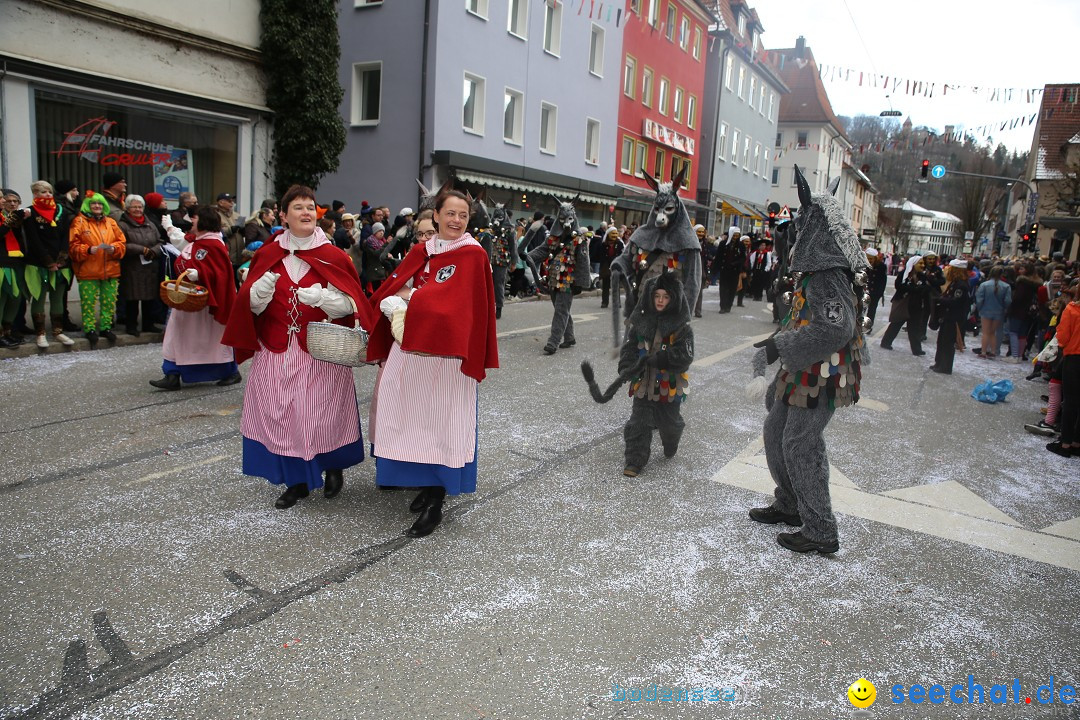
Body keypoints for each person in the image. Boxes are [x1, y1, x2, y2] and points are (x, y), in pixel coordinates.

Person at [222, 185, 370, 509]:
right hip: (275, 349)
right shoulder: (267, 254)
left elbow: (351, 303)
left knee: (320, 415)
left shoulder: (333, 255)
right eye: (298, 207)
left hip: (319, 350)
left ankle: (332, 466)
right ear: (283, 215)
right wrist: (257, 295)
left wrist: (322, 298)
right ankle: (297, 481)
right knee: (282, 415)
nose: (305, 213)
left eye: (310, 207)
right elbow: (249, 309)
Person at [365, 190, 499, 538]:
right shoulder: (420, 251)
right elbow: (394, 288)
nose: (456, 220)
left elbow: (460, 308)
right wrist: (397, 300)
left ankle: (437, 497)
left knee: (442, 423)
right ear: (435, 215)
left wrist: (413, 299)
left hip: (447, 360)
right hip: (409, 351)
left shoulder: (472, 255)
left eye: (463, 215)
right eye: (450, 213)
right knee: (410, 419)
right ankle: (424, 483)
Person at [151, 206, 240, 390]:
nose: (190, 220)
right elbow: (181, 241)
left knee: (212, 340)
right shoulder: (197, 241)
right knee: (176, 334)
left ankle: (230, 371)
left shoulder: (214, 245)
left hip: (206, 305)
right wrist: (169, 227)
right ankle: (172, 373)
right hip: (186, 299)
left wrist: (199, 273)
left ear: (204, 221)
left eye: (194, 218)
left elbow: (222, 274)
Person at [617, 273, 693, 477]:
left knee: (669, 424)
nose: (660, 300)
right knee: (639, 421)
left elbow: (686, 356)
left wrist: (662, 359)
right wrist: (626, 365)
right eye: (656, 296)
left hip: (669, 384)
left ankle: (672, 439)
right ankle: (634, 460)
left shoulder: (682, 328)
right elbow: (630, 347)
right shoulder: (641, 321)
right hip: (644, 381)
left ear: (674, 299)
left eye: (666, 296)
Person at [21, 181, 75, 348]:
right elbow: (34, 240)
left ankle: (58, 331)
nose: (47, 195)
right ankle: (40, 333)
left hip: (60, 264)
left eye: (49, 192)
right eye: (43, 192)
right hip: (39, 263)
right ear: (35, 194)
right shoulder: (30, 212)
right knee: (39, 297)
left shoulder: (61, 211)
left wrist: (61, 259)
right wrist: (48, 262)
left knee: (57, 297)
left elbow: (65, 237)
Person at [68, 192, 126, 348]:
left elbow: (122, 243)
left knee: (108, 302)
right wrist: (87, 250)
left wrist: (114, 249)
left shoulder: (111, 222)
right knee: (88, 302)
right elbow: (72, 246)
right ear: (87, 205)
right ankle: (89, 329)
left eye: (100, 204)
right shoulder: (79, 222)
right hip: (88, 270)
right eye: (93, 203)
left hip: (110, 270)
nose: (97, 206)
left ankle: (105, 327)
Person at [530, 222, 590, 355]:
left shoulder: (579, 240)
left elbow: (583, 262)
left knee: (561, 311)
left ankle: (553, 342)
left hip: (568, 281)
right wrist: (529, 256)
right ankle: (569, 337)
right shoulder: (553, 238)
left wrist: (581, 282)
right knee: (561, 310)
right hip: (553, 279)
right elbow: (543, 250)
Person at [117, 195, 166, 336]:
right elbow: (121, 244)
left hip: (150, 265)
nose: (138, 210)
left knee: (149, 297)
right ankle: (131, 326)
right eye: (134, 207)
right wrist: (141, 249)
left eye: (140, 207)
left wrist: (154, 251)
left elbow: (160, 240)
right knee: (132, 298)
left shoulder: (150, 223)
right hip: (132, 266)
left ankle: (148, 324)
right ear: (127, 208)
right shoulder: (122, 225)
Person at [1047, 278, 1080, 457]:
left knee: (1071, 401)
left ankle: (1065, 443)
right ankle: (1077, 441)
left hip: (1074, 358)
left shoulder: (1072, 310)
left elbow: (1063, 337)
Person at [879, 256, 930, 356]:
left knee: (914, 328)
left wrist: (916, 289)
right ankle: (886, 342)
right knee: (896, 324)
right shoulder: (904, 274)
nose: (922, 265)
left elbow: (926, 288)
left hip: (916, 306)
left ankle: (916, 349)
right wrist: (914, 289)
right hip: (903, 305)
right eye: (920, 263)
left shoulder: (922, 276)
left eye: (923, 263)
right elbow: (899, 286)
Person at [930, 259, 972, 374]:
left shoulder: (961, 285)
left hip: (953, 318)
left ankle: (945, 366)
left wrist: (941, 300)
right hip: (947, 316)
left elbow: (955, 302)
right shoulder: (955, 283)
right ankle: (939, 363)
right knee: (942, 341)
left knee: (947, 343)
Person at [0, 189, 28, 348]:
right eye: (1, 198)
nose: (4, 201)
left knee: (15, 298)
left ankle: (8, 332)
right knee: (2, 299)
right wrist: (10, 220)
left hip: (15, 262)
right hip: (2, 263)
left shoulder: (7, 216)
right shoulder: (5, 218)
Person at [1005, 262, 1040, 363]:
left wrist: (1011, 307)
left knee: (1013, 332)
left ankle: (1015, 355)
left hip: (1018, 310)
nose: (1019, 271)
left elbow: (1017, 298)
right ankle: (1020, 355)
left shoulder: (1022, 282)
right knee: (1022, 334)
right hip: (1029, 312)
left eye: (1022, 269)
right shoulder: (1036, 283)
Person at [974, 266, 1011, 358]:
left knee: (985, 332)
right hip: (999, 311)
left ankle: (983, 351)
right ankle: (993, 351)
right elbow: (1008, 301)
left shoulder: (984, 285)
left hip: (986, 310)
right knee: (992, 332)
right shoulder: (1006, 286)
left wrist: (980, 308)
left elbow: (979, 299)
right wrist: (1004, 308)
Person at [712, 227, 744, 313]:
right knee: (723, 289)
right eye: (734, 235)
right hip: (724, 270)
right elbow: (718, 257)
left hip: (734, 270)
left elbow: (742, 258)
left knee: (732, 289)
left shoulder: (741, 245)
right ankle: (723, 306)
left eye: (737, 236)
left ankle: (729, 305)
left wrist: (736, 264)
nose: (735, 238)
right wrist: (715, 269)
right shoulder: (723, 244)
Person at [599, 226, 624, 309]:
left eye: (615, 233)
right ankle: (604, 302)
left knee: (615, 285)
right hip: (606, 266)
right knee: (605, 285)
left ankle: (617, 303)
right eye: (612, 233)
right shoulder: (603, 244)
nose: (614, 235)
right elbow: (601, 255)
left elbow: (622, 255)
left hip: (616, 266)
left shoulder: (619, 244)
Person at [864, 248, 888, 334]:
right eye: (868, 258)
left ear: (875, 258)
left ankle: (868, 327)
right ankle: (859, 325)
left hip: (875, 292)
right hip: (864, 291)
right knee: (861, 309)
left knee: (871, 311)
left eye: (871, 259)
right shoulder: (862, 264)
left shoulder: (881, 266)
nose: (869, 261)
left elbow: (883, 281)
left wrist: (880, 293)